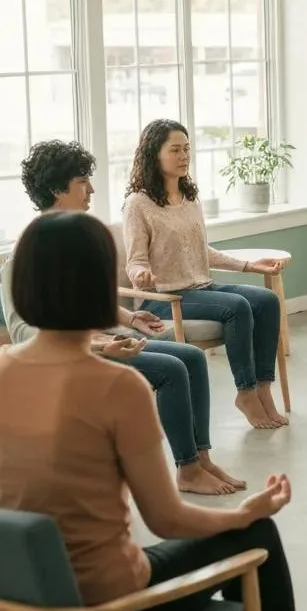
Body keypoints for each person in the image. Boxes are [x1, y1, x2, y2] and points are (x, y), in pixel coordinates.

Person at [0, 211, 307, 611]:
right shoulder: (118, 387)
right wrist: (242, 514)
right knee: (256, 535)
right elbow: (168, 520)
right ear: (99, 284)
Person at [0, 140, 243, 496]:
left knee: (191, 357)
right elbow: (22, 332)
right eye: (82, 181)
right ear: (56, 190)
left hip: (98, 342)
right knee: (172, 370)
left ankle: (202, 460)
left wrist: (130, 318)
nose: (92, 189)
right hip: (71, 357)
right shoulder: (25, 254)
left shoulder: (73, 240)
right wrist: (97, 345)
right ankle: (188, 470)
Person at [122, 120, 287, 430]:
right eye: (175, 150)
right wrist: (141, 273)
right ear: (153, 154)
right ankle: (246, 392)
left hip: (201, 288)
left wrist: (251, 265)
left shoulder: (189, 198)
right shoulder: (137, 204)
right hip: (164, 298)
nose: (184, 156)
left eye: (187, 149)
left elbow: (203, 252)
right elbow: (135, 261)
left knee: (266, 300)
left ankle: (263, 388)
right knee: (237, 307)